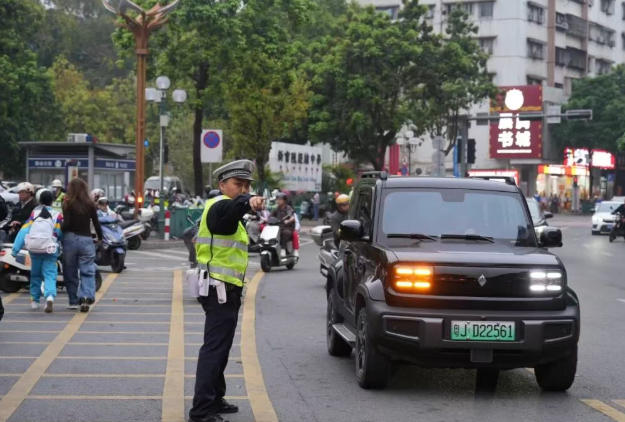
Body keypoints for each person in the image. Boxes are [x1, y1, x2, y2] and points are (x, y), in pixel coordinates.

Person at [189, 159, 264, 422]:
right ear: (222, 185)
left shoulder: (227, 210)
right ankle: (201, 410)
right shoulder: (220, 206)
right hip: (218, 289)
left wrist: (244, 202)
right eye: (237, 184)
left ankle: (215, 397)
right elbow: (232, 210)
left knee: (221, 347)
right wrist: (248, 200)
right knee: (215, 349)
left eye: (246, 186)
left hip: (225, 288)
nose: (242, 189)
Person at [11, 190, 63, 312]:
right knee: (50, 274)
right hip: (50, 249)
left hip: (35, 248)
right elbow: (59, 232)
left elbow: (24, 230)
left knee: (36, 274)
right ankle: (49, 296)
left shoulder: (34, 213)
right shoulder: (57, 215)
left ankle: (35, 300)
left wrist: (15, 249)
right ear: (52, 201)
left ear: (39, 201)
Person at [62, 178, 102, 312]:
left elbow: (66, 224)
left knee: (70, 271)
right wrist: (100, 238)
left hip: (70, 239)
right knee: (88, 270)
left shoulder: (67, 203)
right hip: (86, 239)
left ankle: (73, 301)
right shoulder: (90, 204)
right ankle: (86, 296)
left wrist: (59, 229)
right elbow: (96, 223)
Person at [270, 192, 296, 257]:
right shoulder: (276, 208)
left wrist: (288, 220)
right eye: (277, 199)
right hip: (278, 227)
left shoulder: (288, 208)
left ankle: (283, 249)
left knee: (285, 233)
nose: (278, 201)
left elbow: (292, 217)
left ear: (284, 200)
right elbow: (270, 216)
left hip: (287, 227)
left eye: (280, 199)